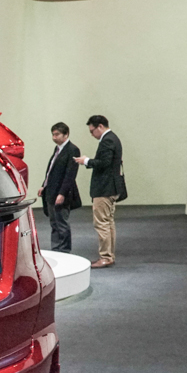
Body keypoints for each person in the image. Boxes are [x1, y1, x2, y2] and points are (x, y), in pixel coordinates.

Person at [74, 115, 123, 268]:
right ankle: (109, 255)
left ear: (100, 126)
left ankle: (105, 257)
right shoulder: (113, 138)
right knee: (108, 223)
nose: (92, 134)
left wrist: (86, 161)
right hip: (111, 187)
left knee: (101, 223)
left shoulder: (107, 140)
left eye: (92, 131)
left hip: (104, 188)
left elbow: (104, 163)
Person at [38, 122, 81, 253]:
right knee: (54, 223)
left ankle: (64, 250)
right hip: (51, 191)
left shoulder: (72, 150)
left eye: (57, 134)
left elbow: (70, 175)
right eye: (53, 134)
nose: (54, 137)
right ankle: (56, 248)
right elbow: (51, 171)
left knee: (62, 223)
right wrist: (43, 185)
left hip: (61, 193)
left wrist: (62, 193)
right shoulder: (57, 149)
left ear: (66, 134)